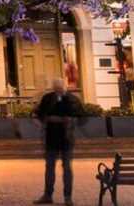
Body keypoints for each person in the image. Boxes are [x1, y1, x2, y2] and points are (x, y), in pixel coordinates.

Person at [34, 78, 80, 206]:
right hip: (51, 138)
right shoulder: (48, 98)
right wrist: (43, 121)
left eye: (61, 89)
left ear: (65, 88)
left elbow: (79, 116)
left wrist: (65, 120)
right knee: (49, 168)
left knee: (67, 168)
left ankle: (68, 197)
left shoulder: (71, 99)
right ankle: (48, 195)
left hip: (66, 139)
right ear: (53, 88)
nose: (59, 91)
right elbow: (39, 114)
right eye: (56, 89)